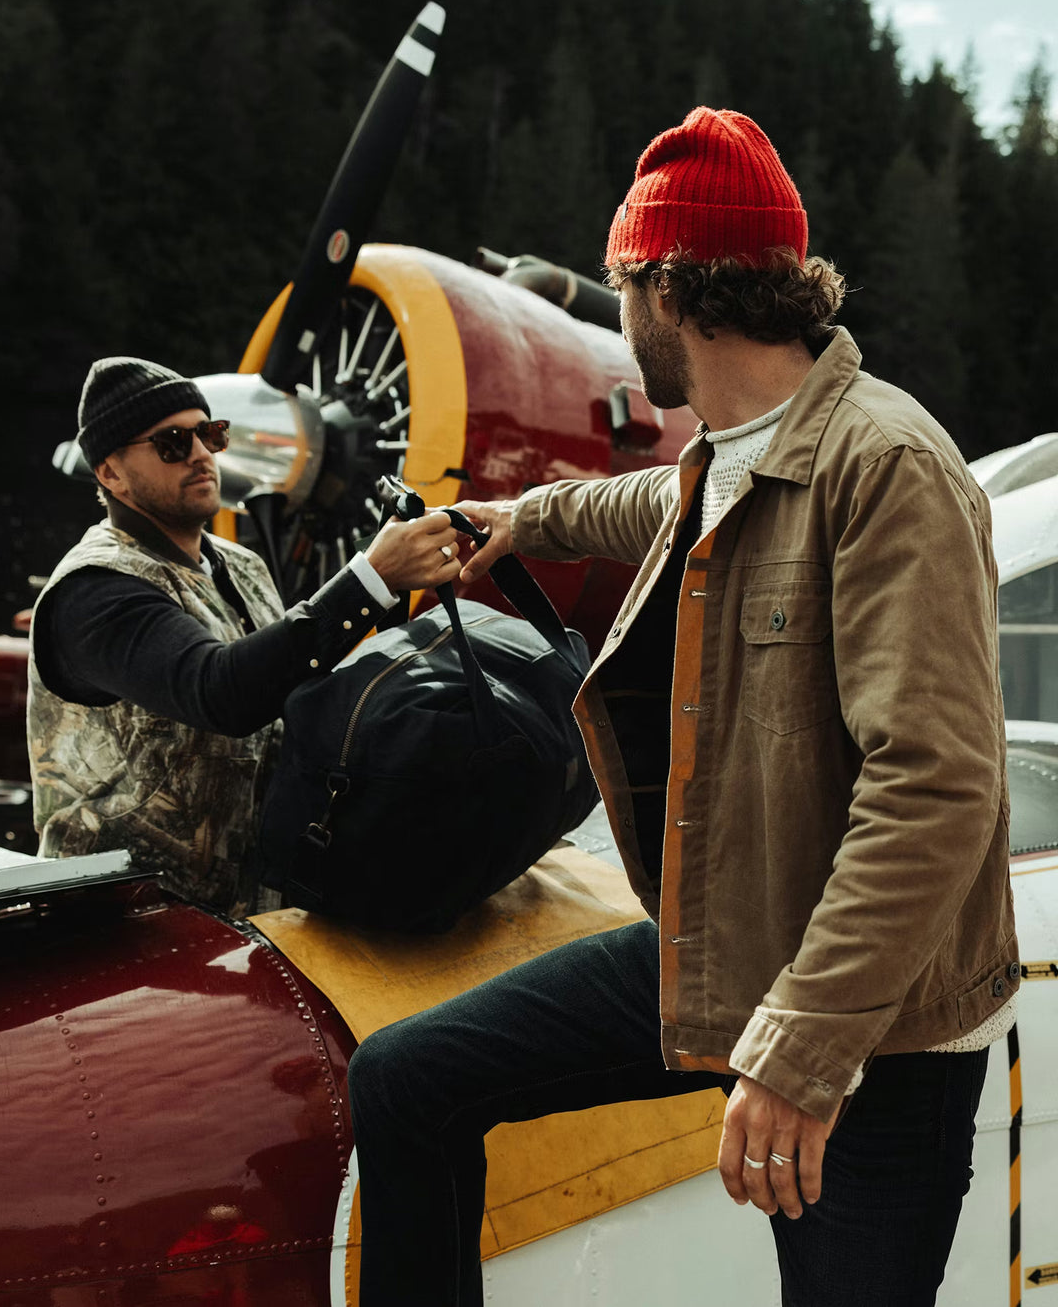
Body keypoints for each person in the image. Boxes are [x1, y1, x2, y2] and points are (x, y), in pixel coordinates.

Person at [346, 107, 1017, 1306]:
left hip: (874, 1035)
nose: (617, 317)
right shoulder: (739, 446)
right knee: (409, 1079)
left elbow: (938, 791)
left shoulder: (889, 468)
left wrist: (801, 1057)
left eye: (620, 287)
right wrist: (520, 522)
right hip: (729, 951)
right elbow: (656, 501)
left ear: (668, 287)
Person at [27, 357, 460, 916]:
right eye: (172, 442)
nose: (202, 454)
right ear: (109, 474)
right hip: (125, 924)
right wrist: (370, 578)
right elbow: (221, 692)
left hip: (249, 915)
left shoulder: (244, 564)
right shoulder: (93, 592)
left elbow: (287, 688)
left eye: (210, 434)